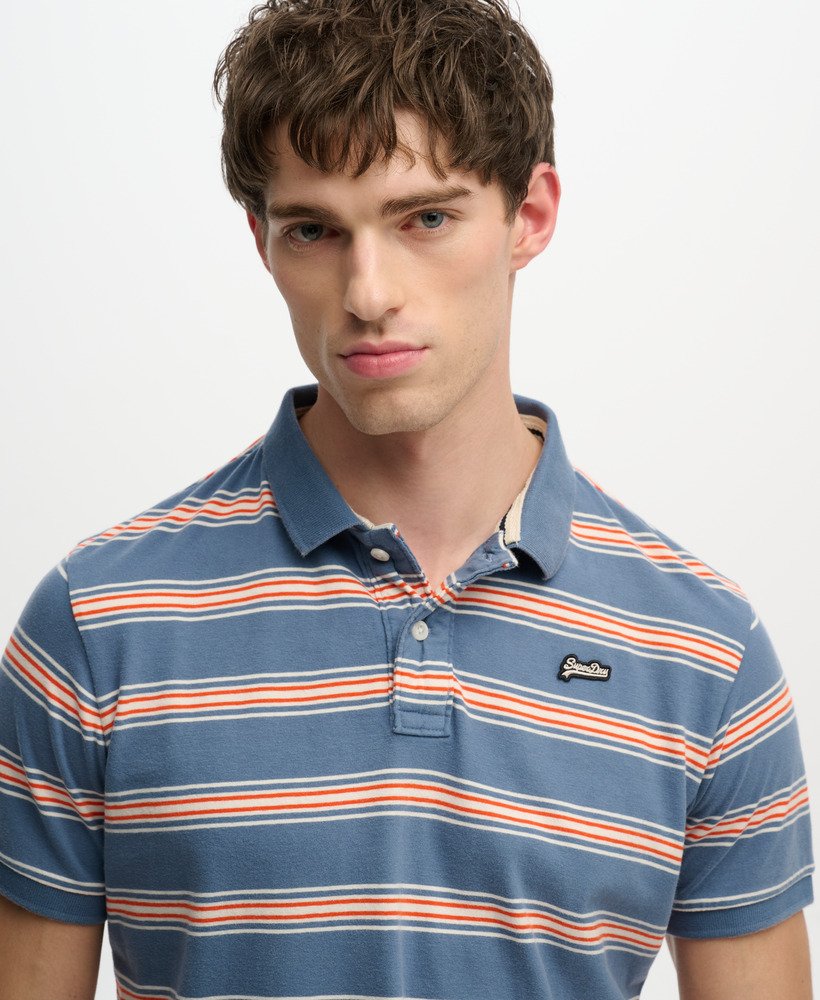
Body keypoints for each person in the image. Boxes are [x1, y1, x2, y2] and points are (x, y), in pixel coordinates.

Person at [0, 0, 813, 996]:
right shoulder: (97, 621)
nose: (368, 290)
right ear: (262, 242)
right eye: (314, 230)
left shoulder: (704, 650)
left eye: (424, 217)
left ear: (531, 215)